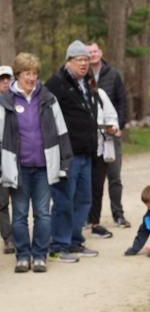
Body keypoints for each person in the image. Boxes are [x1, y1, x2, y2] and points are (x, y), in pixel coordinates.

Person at [0, 53, 73, 272]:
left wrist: (64, 162)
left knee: (43, 213)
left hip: (43, 167)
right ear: (18, 75)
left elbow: (62, 132)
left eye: (34, 74)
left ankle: (40, 255)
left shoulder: (48, 99)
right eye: (26, 74)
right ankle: (23, 255)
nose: (31, 78)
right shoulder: (6, 102)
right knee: (20, 214)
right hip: (18, 168)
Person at [45, 40, 101, 262]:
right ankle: (58, 244)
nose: (84, 64)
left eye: (87, 59)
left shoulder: (87, 82)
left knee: (83, 200)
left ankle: (75, 240)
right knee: (63, 200)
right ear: (68, 61)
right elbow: (47, 118)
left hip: (86, 151)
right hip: (66, 154)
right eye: (80, 60)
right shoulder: (56, 84)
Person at [87, 42, 131, 229]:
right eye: (89, 53)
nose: (92, 55)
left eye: (95, 51)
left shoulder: (112, 75)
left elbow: (122, 101)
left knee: (114, 176)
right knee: (91, 179)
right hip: (90, 136)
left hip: (111, 134)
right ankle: (90, 217)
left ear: (101, 53)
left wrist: (118, 125)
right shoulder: (82, 76)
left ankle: (118, 214)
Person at [0, 65, 15, 254]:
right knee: (2, 200)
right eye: (1, 79)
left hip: (18, 151)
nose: (5, 82)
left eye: (8, 79)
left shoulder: (19, 101)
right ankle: (8, 237)